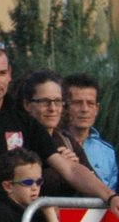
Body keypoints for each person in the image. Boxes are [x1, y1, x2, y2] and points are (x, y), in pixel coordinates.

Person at [0, 46, 119, 222]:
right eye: (44, 101)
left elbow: (70, 169)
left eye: (1, 73)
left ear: (9, 74)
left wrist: (111, 197)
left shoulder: (22, 121)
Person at [21, 70, 92, 199]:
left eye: (58, 101)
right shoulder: (19, 141)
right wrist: (58, 167)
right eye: (44, 102)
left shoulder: (67, 141)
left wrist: (76, 168)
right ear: (27, 105)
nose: (52, 108)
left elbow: (94, 187)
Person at [62, 74, 117, 188]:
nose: (84, 109)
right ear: (65, 107)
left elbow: (114, 192)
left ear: (97, 109)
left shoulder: (107, 152)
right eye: (77, 103)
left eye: (90, 103)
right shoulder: (52, 142)